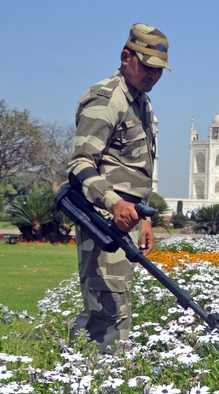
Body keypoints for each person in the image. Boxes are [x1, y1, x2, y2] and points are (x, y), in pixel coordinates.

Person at [67, 23, 170, 354]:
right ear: (127, 57)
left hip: (127, 219)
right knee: (106, 310)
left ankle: (93, 376)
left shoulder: (140, 102)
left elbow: (136, 168)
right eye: (148, 67)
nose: (153, 76)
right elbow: (80, 164)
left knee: (117, 305)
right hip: (102, 219)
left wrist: (146, 217)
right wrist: (113, 203)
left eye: (159, 70)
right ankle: (81, 384)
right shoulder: (107, 98)